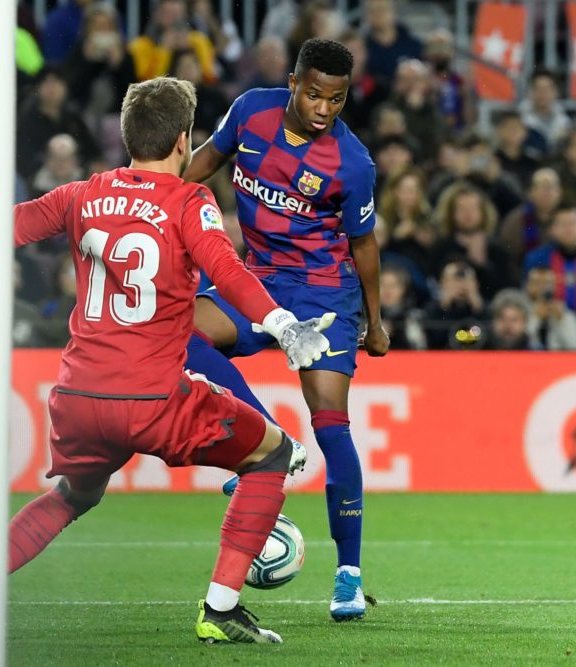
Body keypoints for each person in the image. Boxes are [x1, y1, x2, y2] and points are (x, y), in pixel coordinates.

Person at [0, 77, 335, 644]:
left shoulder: (81, 194)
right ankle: (221, 610)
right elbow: (227, 270)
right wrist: (283, 323)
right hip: (154, 397)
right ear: (184, 140)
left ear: (126, 137)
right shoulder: (190, 201)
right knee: (272, 452)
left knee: (72, 496)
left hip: (78, 398)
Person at [180, 39, 389, 621]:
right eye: (316, 94)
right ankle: (269, 441)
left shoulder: (353, 164)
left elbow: (364, 244)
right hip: (259, 279)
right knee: (181, 333)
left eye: (338, 99)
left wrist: (375, 322)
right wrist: (155, 199)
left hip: (325, 295)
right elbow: (204, 162)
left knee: (333, 423)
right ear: (294, 81)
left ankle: (348, 574)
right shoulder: (251, 110)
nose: (325, 109)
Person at [523, 203, 576, 313]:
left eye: (573, 223)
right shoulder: (536, 259)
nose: (568, 229)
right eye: (562, 224)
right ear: (551, 229)